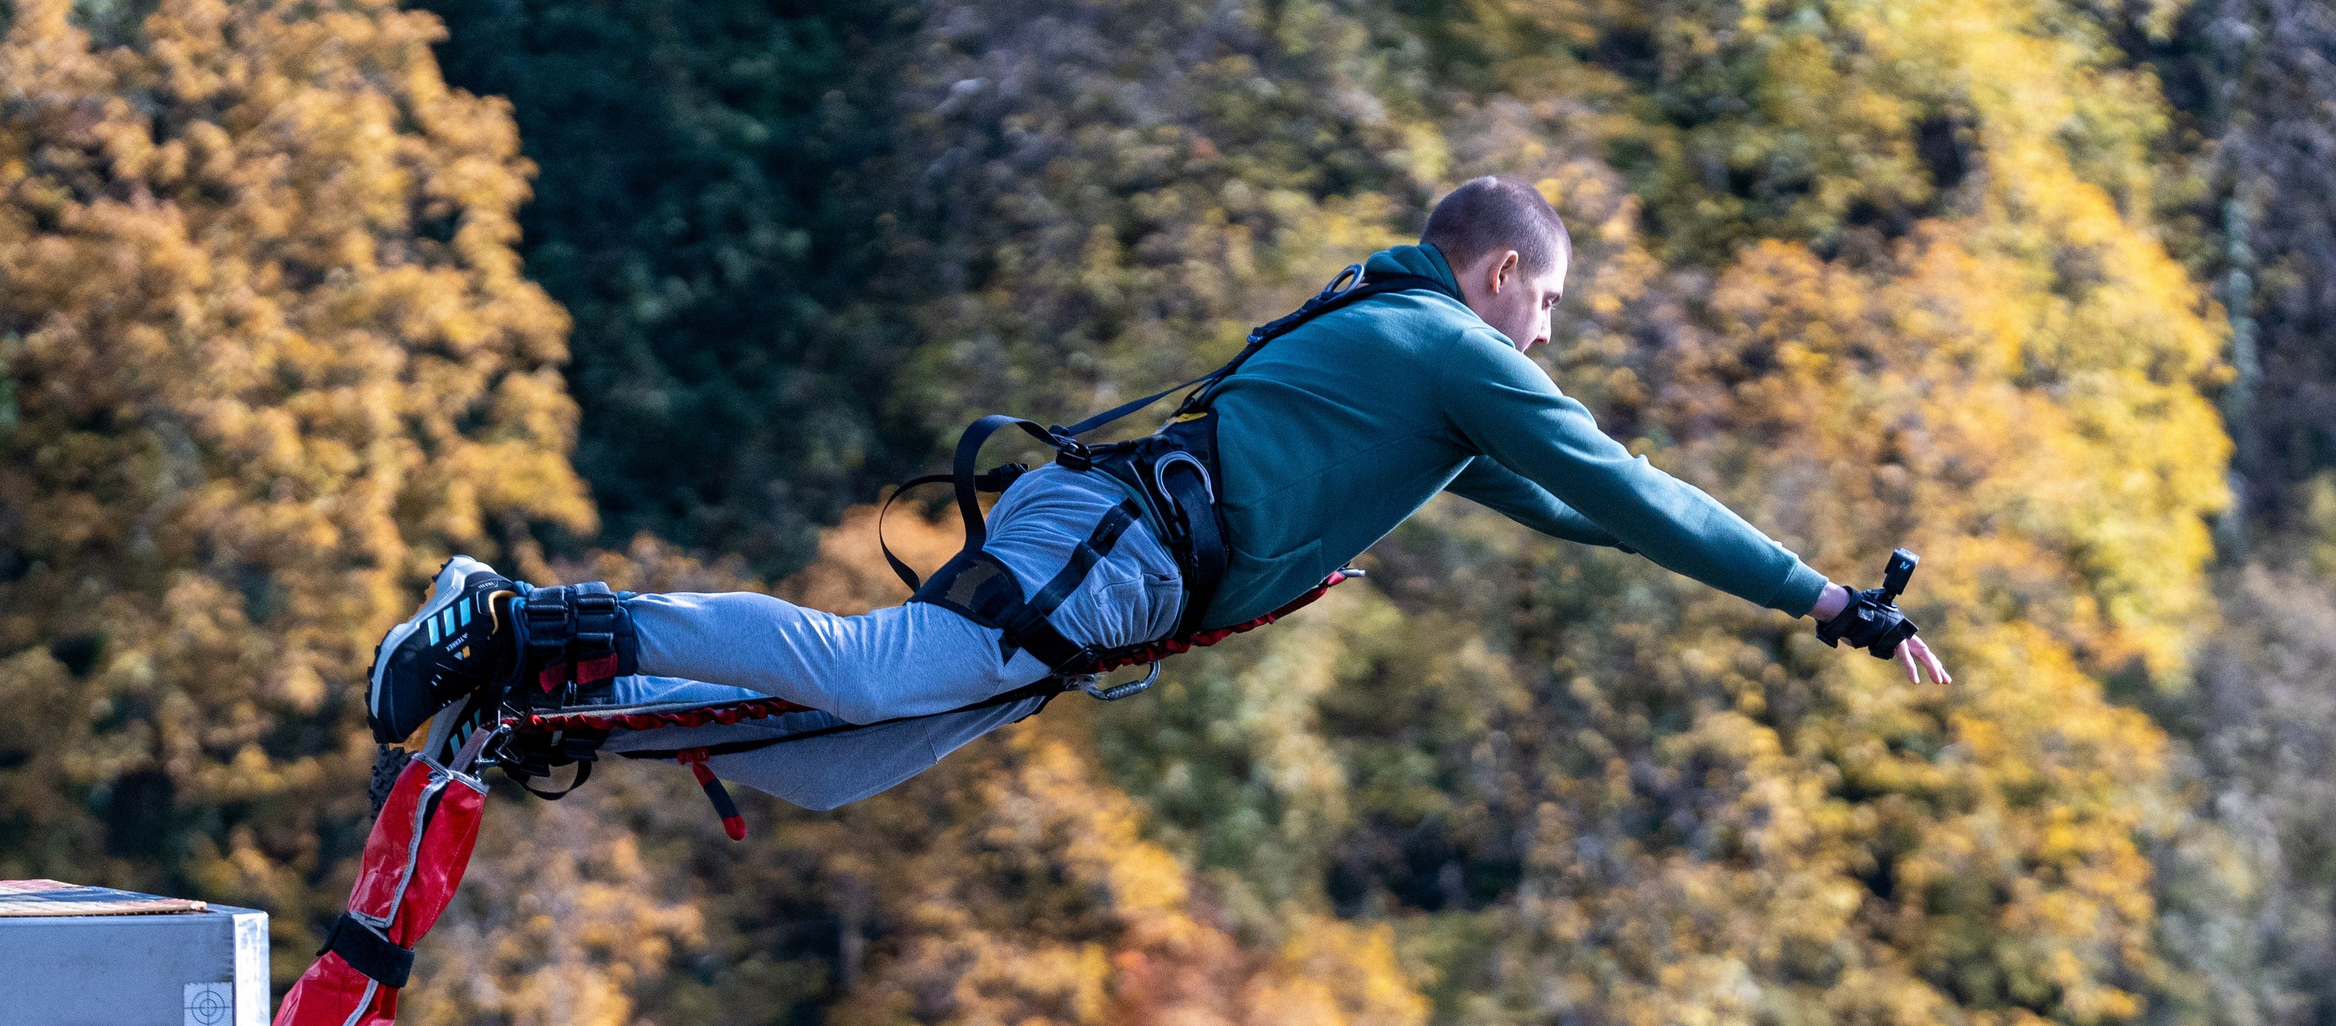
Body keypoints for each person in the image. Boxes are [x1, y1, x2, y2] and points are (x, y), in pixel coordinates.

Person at [366, 176, 1949, 809]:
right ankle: (519, 613)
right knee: (866, 675)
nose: (1554, 337)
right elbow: (1633, 483)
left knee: (835, 766)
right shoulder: (1440, 338)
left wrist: (1792, 593)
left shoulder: (1422, 372)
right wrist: (1824, 600)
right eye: (1550, 306)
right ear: (1501, 272)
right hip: (1120, 544)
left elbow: (1591, 504)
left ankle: (559, 695)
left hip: (1128, 571)